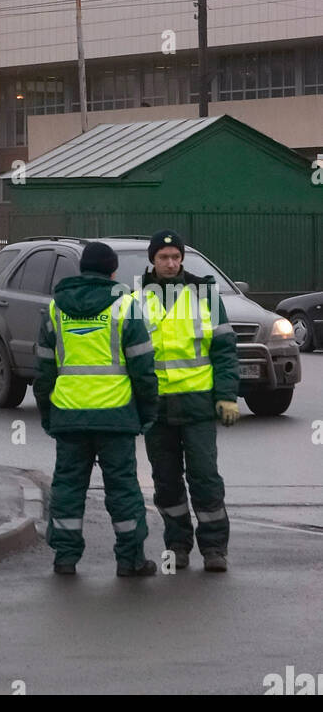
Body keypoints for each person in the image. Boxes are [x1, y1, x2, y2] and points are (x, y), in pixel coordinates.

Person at [34, 241, 159, 577]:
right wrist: (147, 413)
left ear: (82, 269)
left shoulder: (55, 309)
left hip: (69, 416)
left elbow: (44, 371)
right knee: (123, 490)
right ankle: (130, 560)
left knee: (68, 488)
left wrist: (48, 414)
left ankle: (65, 558)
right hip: (116, 417)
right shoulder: (126, 307)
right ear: (113, 271)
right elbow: (144, 370)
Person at [133, 229, 239, 573]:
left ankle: (214, 549)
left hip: (197, 405)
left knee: (205, 477)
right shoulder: (137, 297)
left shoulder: (204, 293)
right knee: (165, 481)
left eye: (176, 257)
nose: (170, 262)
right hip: (156, 407)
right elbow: (126, 356)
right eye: (163, 257)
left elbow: (224, 351)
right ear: (152, 260)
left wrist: (226, 396)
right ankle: (177, 545)